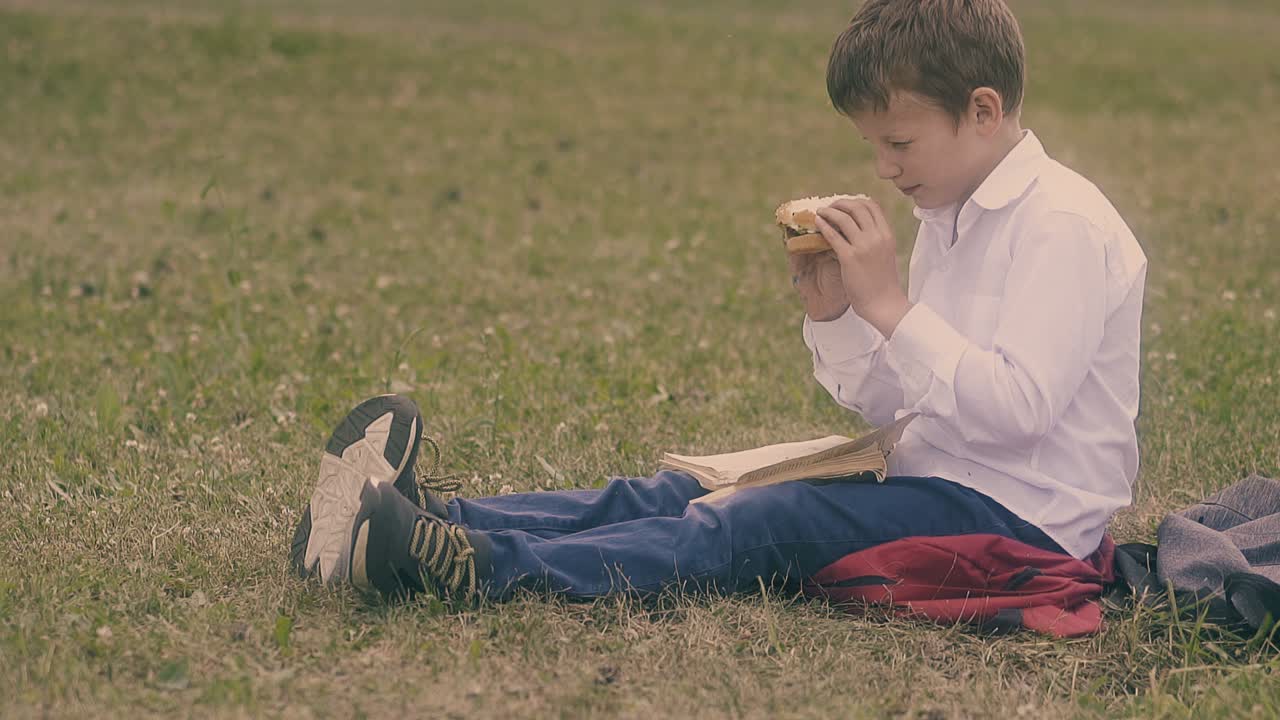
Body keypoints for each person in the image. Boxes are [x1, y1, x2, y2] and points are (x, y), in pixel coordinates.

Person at [290, 0, 1147, 605]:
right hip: (933, 473)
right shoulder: (949, 215)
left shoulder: (1062, 225)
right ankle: (434, 519)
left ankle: (475, 566)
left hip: (1020, 520)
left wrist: (890, 308)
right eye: (870, 145)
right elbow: (904, 405)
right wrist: (838, 315)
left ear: (983, 112)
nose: (883, 166)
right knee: (685, 489)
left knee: (760, 519)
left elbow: (1020, 415)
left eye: (898, 140)